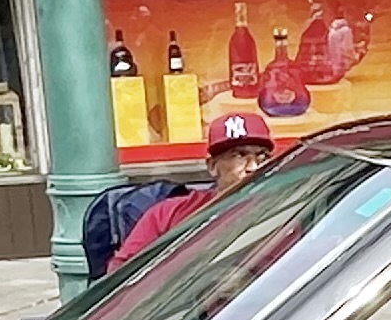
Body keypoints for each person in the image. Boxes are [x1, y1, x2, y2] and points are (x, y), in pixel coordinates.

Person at [111, 111, 282, 268]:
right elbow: (121, 272)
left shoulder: (283, 210)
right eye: (239, 155)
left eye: (262, 156)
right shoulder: (167, 214)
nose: (253, 167)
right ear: (212, 166)